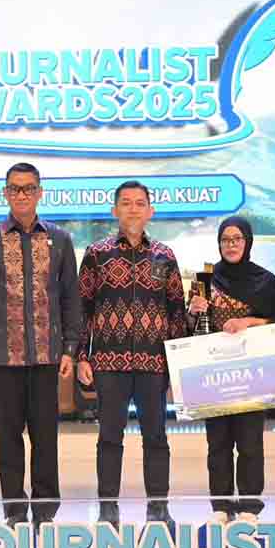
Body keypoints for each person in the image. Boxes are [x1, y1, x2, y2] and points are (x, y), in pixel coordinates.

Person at [0, 162, 80, 527]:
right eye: (15, 188)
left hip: (47, 355)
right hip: (2, 358)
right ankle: (15, 511)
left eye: (29, 188)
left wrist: (71, 348)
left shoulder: (60, 239)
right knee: (8, 439)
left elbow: (70, 298)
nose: (22, 194)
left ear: (40, 192)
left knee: (46, 438)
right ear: (5, 193)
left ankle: (45, 513)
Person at [77, 180, 187, 527]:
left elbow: (176, 310)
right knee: (110, 438)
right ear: (115, 210)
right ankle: (108, 509)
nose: (133, 208)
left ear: (150, 211)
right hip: (108, 363)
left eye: (140, 203)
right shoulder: (97, 254)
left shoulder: (165, 255)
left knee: (156, 438)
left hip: (154, 363)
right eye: (126, 203)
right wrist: (81, 356)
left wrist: (179, 361)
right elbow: (82, 308)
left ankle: (159, 509)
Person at [187, 216, 275, 524]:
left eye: (237, 239)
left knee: (249, 442)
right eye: (225, 240)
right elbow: (189, 327)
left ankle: (249, 507)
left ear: (248, 242)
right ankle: (220, 507)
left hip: (252, 374)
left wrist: (249, 322)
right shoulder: (205, 278)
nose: (231, 245)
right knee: (217, 443)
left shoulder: (265, 281)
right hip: (213, 374)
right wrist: (192, 311)